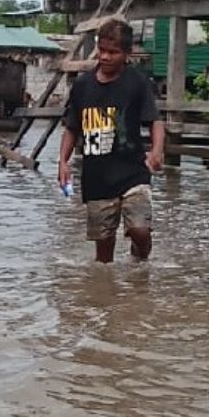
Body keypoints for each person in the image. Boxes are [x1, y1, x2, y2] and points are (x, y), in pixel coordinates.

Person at [57, 20, 165, 262]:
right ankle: (106, 295)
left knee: (140, 230)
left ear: (127, 54)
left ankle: (141, 259)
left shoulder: (137, 83)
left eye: (113, 52)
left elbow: (155, 121)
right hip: (97, 179)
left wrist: (156, 151)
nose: (105, 57)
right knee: (104, 255)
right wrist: (63, 162)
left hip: (132, 172)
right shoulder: (83, 85)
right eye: (102, 50)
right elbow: (72, 127)